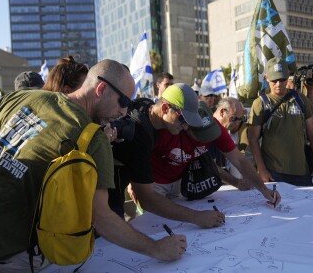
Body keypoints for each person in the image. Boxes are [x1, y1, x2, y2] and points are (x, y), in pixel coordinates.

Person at [0, 59, 186, 272]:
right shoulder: (92, 137)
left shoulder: (22, 96)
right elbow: (101, 217)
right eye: (123, 102)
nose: (124, 112)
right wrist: (156, 249)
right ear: (100, 89)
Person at [109, 83, 226, 228]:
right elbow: (147, 198)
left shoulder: (147, 107)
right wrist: (197, 217)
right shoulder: (140, 134)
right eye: (183, 120)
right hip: (107, 190)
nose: (186, 128)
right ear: (165, 108)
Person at [150, 101, 280, 204]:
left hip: (181, 181)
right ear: (185, 126)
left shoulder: (215, 128)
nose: (206, 139)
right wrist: (137, 184)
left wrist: (264, 189)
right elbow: (142, 156)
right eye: (201, 135)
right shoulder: (168, 130)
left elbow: (239, 160)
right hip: (155, 182)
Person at [248, 57, 313, 186]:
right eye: (274, 80)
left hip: (301, 171)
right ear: (266, 78)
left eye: (282, 79)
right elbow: (252, 139)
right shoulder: (259, 103)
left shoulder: (301, 99)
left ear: (288, 75)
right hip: (273, 172)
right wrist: (261, 169)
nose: (278, 84)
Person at [212, 97, 251, 180]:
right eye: (234, 118)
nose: (237, 123)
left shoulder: (223, 131)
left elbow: (240, 160)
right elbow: (210, 166)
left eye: (240, 119)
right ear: (222, 112)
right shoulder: (209, 130)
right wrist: (236, 183)